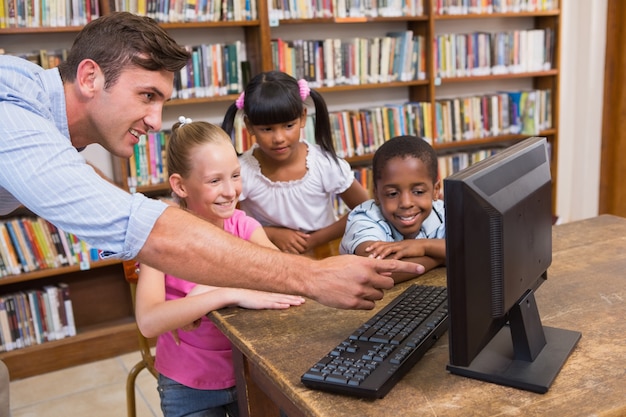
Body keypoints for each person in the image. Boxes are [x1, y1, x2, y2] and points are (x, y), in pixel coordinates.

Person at [0, 11, 424, 315]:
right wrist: (312, 277)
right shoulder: (12, 116)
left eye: (161, 102)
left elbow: (84, 186)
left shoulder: (33, 109)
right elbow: (144, 231)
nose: (154, 121)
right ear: (90, 77)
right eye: (147, 95)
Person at [135, 118, 305, 417]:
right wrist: (223, 294)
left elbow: (285, 279)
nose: (230, 191)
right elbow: (149, 322)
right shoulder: (160, 239)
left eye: (235, 175)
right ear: (180, 185)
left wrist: (198, 298)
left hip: (252, 373)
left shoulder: (244, 225)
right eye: (215, 181)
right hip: (188, 386)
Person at [221, 71, 371, 255]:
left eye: (288, 126)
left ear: (302, 117)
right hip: (268, 255)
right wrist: (273, 234)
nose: (279, 138)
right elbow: (226, 222)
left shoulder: (324, 163)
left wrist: (315, 239)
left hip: (325, 251)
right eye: (267, 129)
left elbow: (365, 208)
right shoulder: (241, 171)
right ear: (249, 126)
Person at [340, 135, 446, 283]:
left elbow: (475, 247)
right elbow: (379, 270)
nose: (406, 203)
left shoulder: (444, 212)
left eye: (418, 192)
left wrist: (422, 246)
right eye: (392, 194)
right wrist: (442, 257)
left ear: (436, 190)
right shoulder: (364, 217)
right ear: (376, 194)